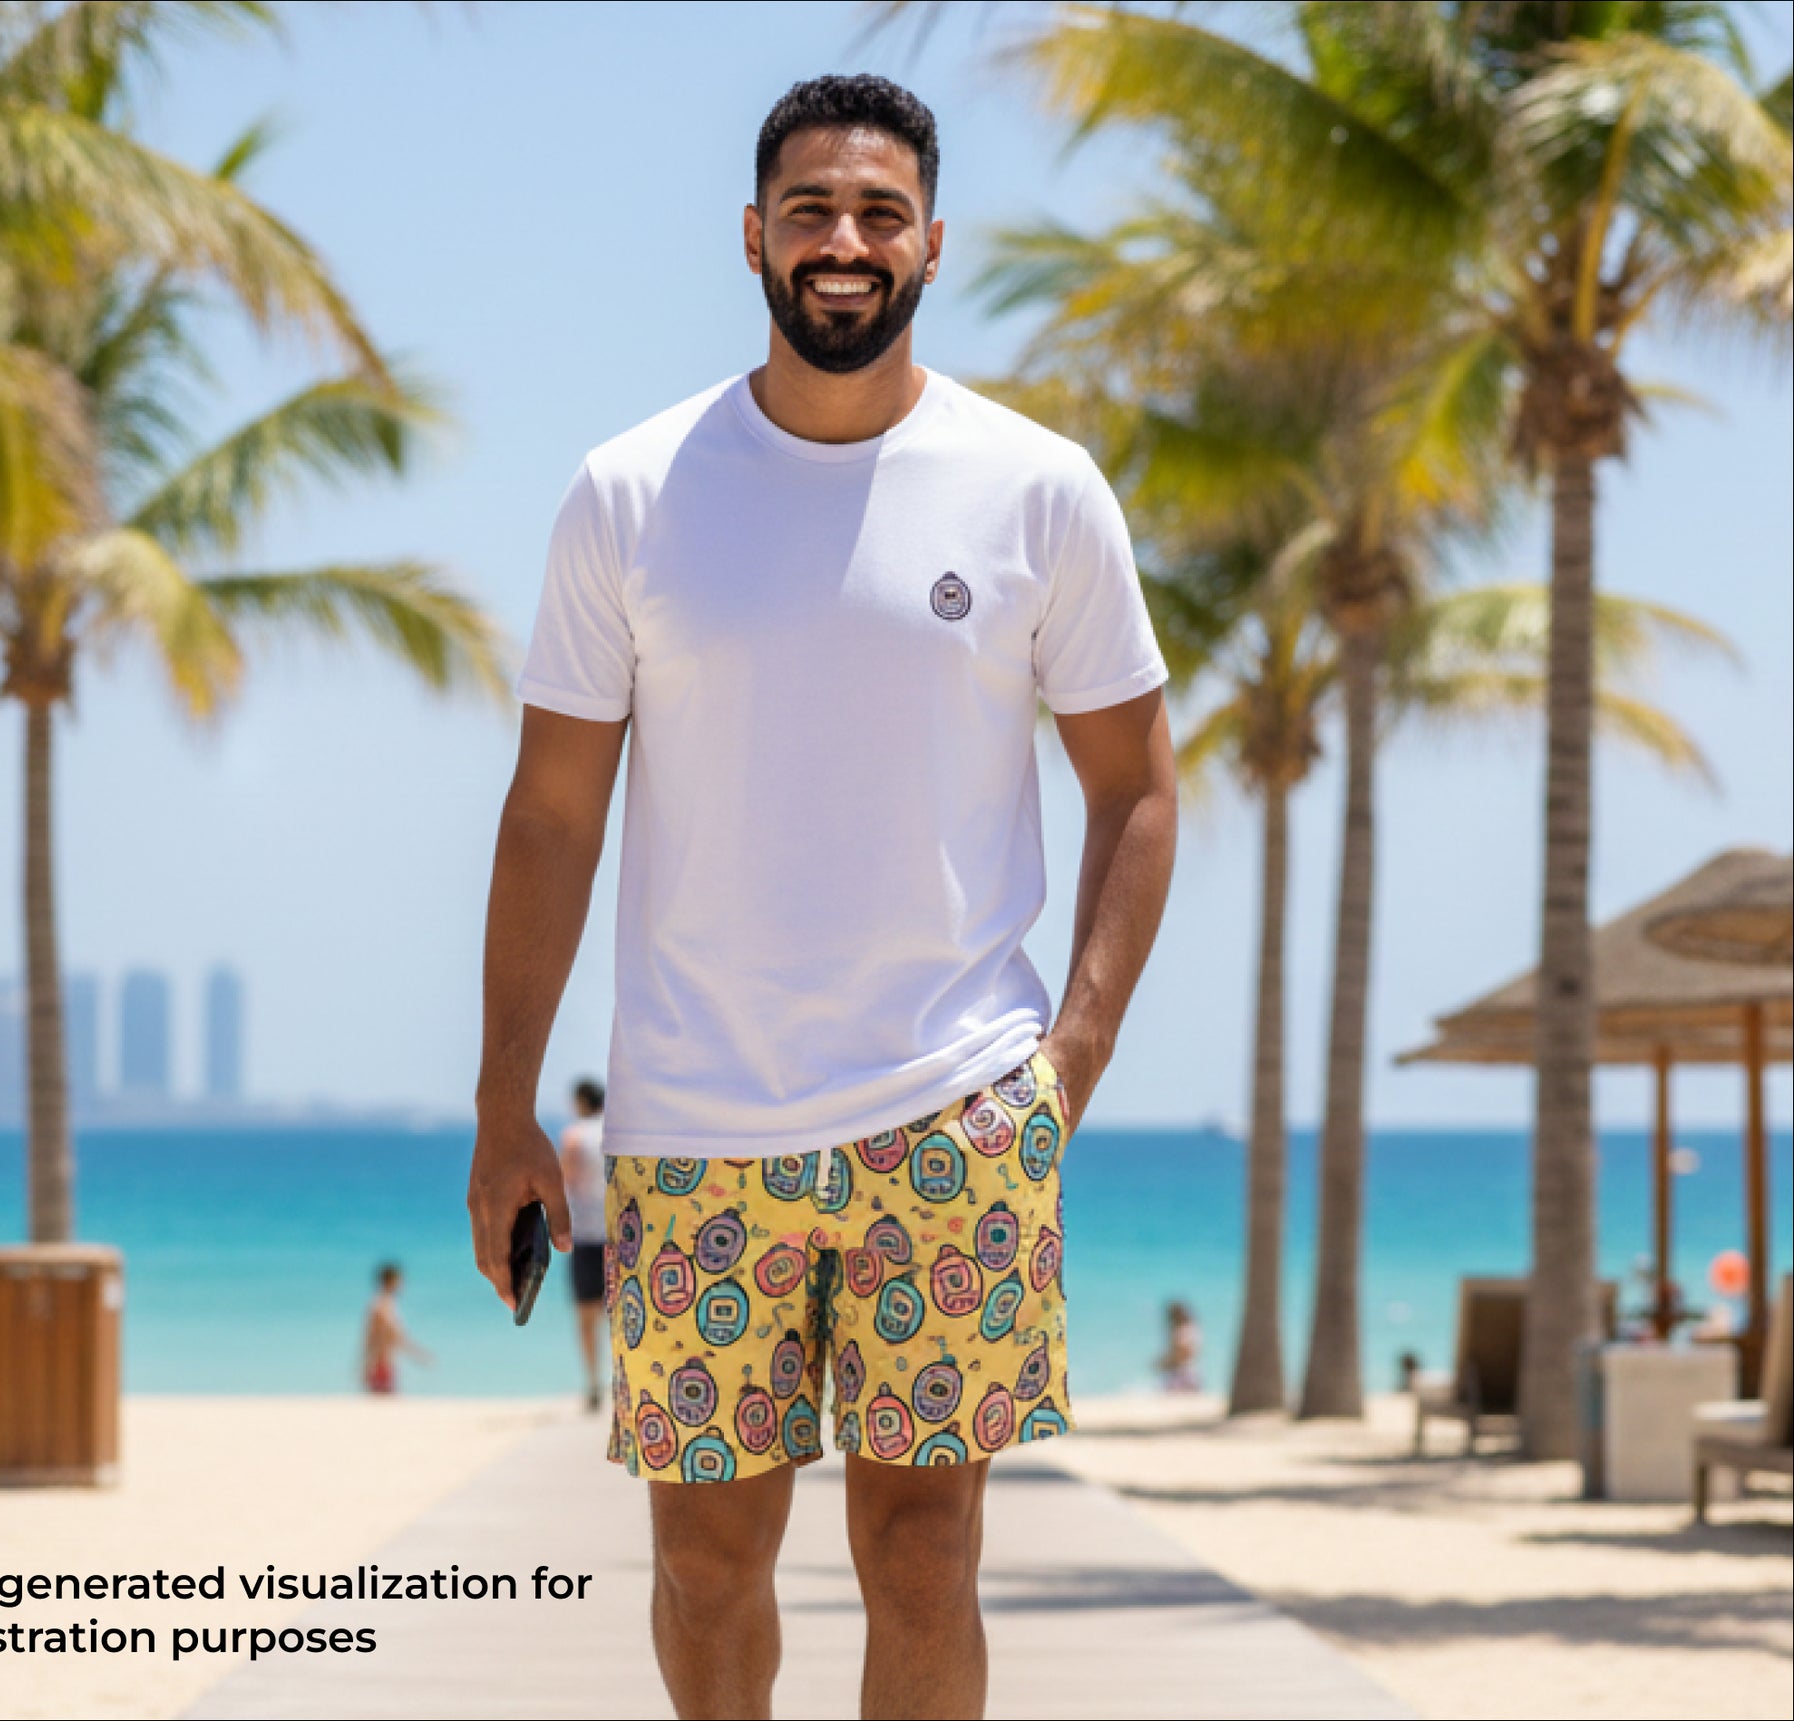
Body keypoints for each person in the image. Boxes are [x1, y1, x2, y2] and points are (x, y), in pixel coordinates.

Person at [466, 74, 1177, 1721]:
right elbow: (551, 814)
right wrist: (507, 1105)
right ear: (752, 238)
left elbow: (1136, 786)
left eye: (875, 213)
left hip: (955, 1116)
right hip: (694, 1120)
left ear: (932, 241)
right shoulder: (631, 493)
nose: (841, 242)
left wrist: (1065, 1061)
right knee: (706, 1572)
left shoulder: (1037, 488)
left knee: (923, 1556)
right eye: (809, 211)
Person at [560, 1077, 610, 1411]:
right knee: (619, 1316)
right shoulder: (614, 1131)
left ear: (580, 1101)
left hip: (585, 1235)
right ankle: (625, 1381)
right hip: (617, 1234)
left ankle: (593, 1383)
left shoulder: (574, 1136)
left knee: (586, 1317)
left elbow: (566, 1181)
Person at [360, 1263, 431, 1395]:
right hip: (380, 1360)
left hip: (381, 1359)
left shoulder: (381, 1303)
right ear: (390, 1281)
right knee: (384, 1402)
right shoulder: (382, 1305)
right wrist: (418, 1354)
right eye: (399, 1280)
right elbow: (395, 1334)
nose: (402, 1284)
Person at [1156, 1299, 1202, 1392]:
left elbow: (1185, 1352)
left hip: (1184, 1373)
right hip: (1185, 1371)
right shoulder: (1188, 1328)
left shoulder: (1185, 1330)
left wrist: (1166, 1363)